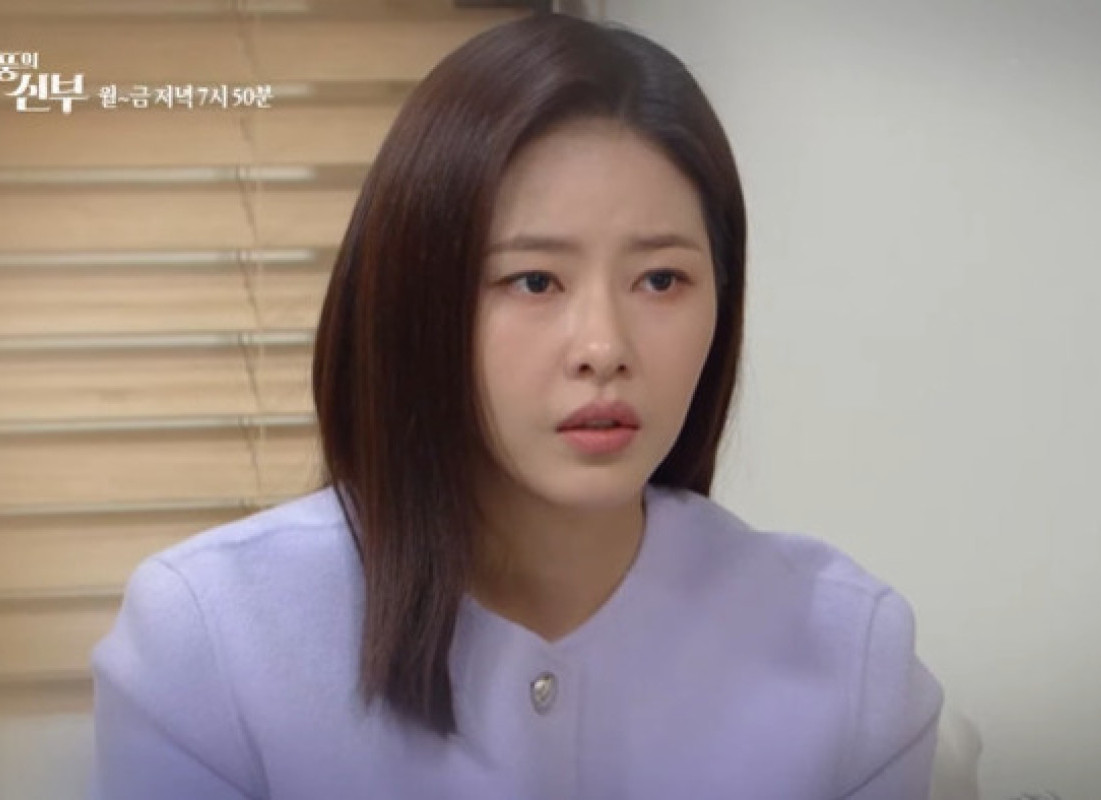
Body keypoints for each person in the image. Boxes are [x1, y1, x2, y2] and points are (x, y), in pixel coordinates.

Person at [89, 12, 943, 800]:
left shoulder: (847, 654)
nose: (603, 346)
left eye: (660, 279)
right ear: (416, 302)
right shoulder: (214, 641)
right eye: (534, 281)